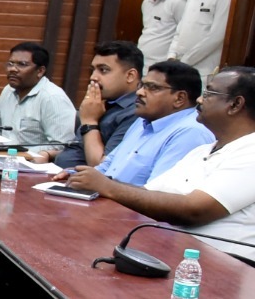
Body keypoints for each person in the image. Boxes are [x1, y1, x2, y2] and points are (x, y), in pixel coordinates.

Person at [68, 67, 255, 262]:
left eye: (209, 93)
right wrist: (89, 181)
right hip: (171, 252)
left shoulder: (251, 152)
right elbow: (148, 195)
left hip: (223, 265)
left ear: (235, 104)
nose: (199, 100)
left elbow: (195, 210)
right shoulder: (202, 151)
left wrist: (107, 186)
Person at [54, 61, 213, 186]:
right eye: (142, 85)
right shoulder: (142, 121)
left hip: (134, 214)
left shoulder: (190, 133)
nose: (140, 92)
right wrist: (79, 175)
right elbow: (108, 167)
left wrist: (103, 186)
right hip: (109, 203)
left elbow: (158, 193)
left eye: (152, 88)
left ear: (179, 98)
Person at [39, 41, 141, 168]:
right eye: (93, 70)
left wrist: (89, 122)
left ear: (130, 76)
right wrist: (50, 154)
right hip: (58, 172)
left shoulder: (135, 113)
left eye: (103, 70)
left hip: (82, 179)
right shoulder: (100, 103)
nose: (93, 77)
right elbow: (81, 150)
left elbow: (101, 167)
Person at [0, 42, 75, 157]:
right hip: (2, 157)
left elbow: (61, 146)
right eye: (10, 63)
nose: (13, 69)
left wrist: (15, 152)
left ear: (40, 71)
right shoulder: (8, 90)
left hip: (33, 162)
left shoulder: (53, 98)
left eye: (22, 64)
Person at [169, 0, 233, 82]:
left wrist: (185, 61)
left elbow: (216, 36)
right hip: (180, 67)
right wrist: (172, 55)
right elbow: (180, 30)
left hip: (203, 71)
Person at [140, 0, 189, 68]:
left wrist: (172, 59)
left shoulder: (179, 1)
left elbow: (184, 34)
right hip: (142, 60)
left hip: (163, 65)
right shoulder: (147, 1)